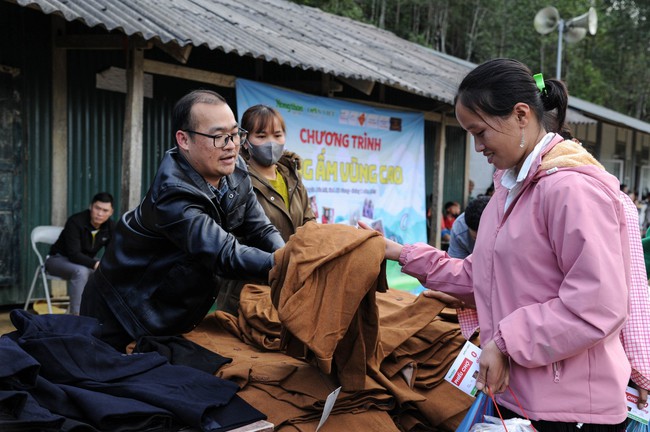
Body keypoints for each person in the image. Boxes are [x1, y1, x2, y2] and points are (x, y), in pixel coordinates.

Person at [361, 58, 630, 431]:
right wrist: (397, 252)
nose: (477, 147)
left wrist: (505, 343)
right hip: (521, 396)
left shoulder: (570, 190)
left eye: (480, 132)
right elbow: (480, 276)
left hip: (570, 411)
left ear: (521, 115)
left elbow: (597, 305)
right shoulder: (509, 191)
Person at [80, 89, 285, 352]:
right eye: (219, 137)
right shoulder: (173, 195)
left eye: (235, 134)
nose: (232, 145)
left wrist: (285, 254)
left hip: (170, 311)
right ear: (184, 140)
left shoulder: (236, 170)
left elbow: (260, 227)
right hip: (121, 313)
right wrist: (286, 266)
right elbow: (225, 255)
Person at [215, 104, 315, 314]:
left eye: (277, 135)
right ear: (245, 140)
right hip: (247, 291)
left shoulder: (292, 178)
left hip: (292, 286)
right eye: (261, 136)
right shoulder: (234, 180)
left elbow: (309, 224)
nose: (271, 143)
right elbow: (229, 239)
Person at [45, 192, 114, 315]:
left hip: (85, 262)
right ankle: (76, 316)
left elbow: (112, 253)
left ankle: (103, 314)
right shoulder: (76, 221)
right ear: (91, 207)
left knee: (110, 271)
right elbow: (74, 254)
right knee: (81, 272)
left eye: (105, 210)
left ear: (111, 212)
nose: (100, 213)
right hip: (57, 259)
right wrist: (95, 264)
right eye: (97, 208)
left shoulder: (110, 227)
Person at [447, 194, 490, 259]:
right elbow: (456, 265)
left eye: (485, 237)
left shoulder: (508, 224)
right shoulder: (459, 230)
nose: (480, 242)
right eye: (476, 238)